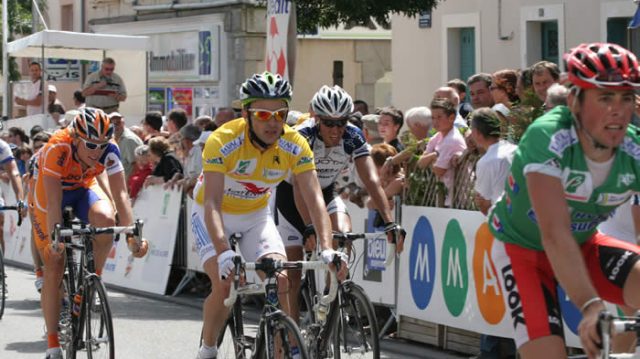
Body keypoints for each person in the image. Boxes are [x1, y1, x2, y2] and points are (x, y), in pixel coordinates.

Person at [487, 42, 640, 359]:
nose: (617, 110)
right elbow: (554, 233)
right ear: (574, 101)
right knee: (549, 353)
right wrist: (591, 305)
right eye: (604, 97)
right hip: (523, 251)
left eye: (626, 98)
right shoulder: (548, 136)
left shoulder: (632, 149)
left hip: (584, 244)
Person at [192, 72, 348, 359]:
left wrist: (327, 248)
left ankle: (277, 350)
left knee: (282, 280)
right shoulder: (223, 140)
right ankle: (208, 347)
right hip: (212, 215)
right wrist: (224, 250)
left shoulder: (295, 144)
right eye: (263, 113)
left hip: (255, 217)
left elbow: (315, 199)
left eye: (280, 114)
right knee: (226, 283)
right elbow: (212, 202)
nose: (273, 122)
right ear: (247, 114)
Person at [275, 85, 404, 322]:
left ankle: (329, 298)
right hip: (290, 199)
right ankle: (292, 340)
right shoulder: (302, 135)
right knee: (292, 276)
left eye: (341, 122)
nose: (336, 130)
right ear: (316, 119)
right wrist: (308, 226)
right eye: (328, 123)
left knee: (343, 238)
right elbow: (299, 188)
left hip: (324, 193)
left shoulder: (352, 135)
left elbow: (372, 180)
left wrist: (389, 222)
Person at [32, 107, 148, 359]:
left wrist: (132, 236)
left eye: (101, 144)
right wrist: (55, 240)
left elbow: (121, 195)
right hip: (50, 194)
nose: (96, 151)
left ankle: (90, 281)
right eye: (89, 144)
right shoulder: (57, 148)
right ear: (75, 138)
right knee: (54, 262)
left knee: (106, 219)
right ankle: (53, 343)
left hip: (83, 187)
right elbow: (53, 203)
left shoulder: (110, 149)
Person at [470, 108, 518, 358]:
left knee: (499, 291)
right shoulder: (516, 150)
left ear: (478, 133)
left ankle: (493, 351)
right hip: (522, 227)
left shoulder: (487, 160)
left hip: (502, 230)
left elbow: (483, 202)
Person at [417, 98, 467, 207]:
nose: (435, 121)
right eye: (433, 118)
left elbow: (439, 170)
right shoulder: (438, 136)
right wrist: (434, 155)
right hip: (446, 196)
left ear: (452, 118)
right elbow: (421, 163)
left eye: (439, 117)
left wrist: (431, 158)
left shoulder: (451, 140)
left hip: (457, 197)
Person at [110, 112, 143, 179]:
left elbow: (137, 165)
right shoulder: (113, 138)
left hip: (128, 183)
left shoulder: (129, 140)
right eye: (112, 123)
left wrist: (128, 185)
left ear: (123, 123)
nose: (115, 126)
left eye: (118, 123)